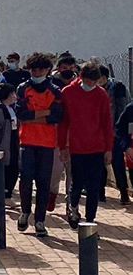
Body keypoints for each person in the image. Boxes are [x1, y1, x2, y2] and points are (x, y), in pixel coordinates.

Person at [59, 63, 114, 229]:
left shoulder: (101, 94)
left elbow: (106, 122)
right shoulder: (68, 93)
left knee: (93, 188)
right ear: (81, 78)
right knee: (76, 185)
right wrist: (63, 146)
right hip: (76, 147)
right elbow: (63, 122)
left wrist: (108, 149)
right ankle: (73, 208)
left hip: (96, 147)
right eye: (89, 82)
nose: (91, 85)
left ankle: (90, 222)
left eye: (94, 82)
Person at [14, 52, 62, 237]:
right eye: (34, 69)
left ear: (48, 70)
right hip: (26, 140)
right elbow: (21, 114)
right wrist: (44, 113)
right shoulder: (22, 88)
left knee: (44, 183)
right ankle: (25, 211)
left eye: (41, 69)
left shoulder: (55, 91)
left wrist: (34, 116)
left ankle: (40, 220)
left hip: (47, 143)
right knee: (25, 179)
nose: (37, 72)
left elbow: (57, 116)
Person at [97, 65, 131, 203]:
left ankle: (124, 192)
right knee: (99, 163)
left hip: (114, 133)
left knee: (118, 163)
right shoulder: (95, 90)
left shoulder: (118, 88)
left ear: (104, 78)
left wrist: (115, 132)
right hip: (98, 133)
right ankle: (100, 193)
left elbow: (121, 111)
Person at [48, 53, 77, 212]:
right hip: (56, 133)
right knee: (55, 171)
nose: (68, 71)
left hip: (75, 135)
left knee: (72, 172)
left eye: (71, 68)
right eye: (65, 68)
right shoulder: (52, 85)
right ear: (58, 69)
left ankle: (71, 205)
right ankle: (52, 194)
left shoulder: (79, 85)